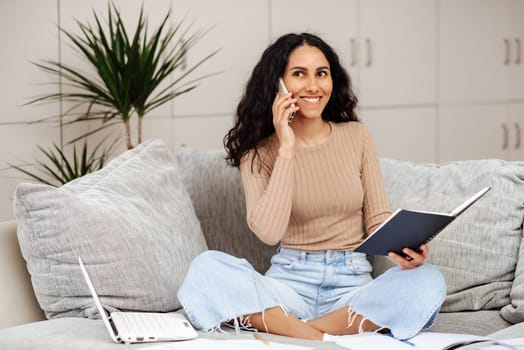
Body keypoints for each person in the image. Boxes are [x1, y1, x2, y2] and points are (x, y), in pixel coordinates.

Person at [177, 33, 446, 341]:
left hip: (352, 287)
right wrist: (286, 148)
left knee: (428, 280)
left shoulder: (357, 137)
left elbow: (377, 220)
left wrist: (404, 247)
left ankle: (298, 334)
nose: (313, 86)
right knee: (205, 268)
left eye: (321, 73)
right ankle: (326, 338)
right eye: (298, 74)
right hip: (288, 286)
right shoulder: (258, 153)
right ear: (277, 84)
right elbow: (269, 231)